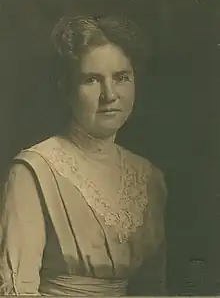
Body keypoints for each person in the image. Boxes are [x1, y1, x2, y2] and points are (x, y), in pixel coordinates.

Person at [0, 15, 167, 296]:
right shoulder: (35, 170)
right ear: (66, 89)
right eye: (92, 80)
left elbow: (152, 288)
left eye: (121, 78)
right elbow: (18, 290)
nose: (110, 95)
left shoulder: (149, 176)